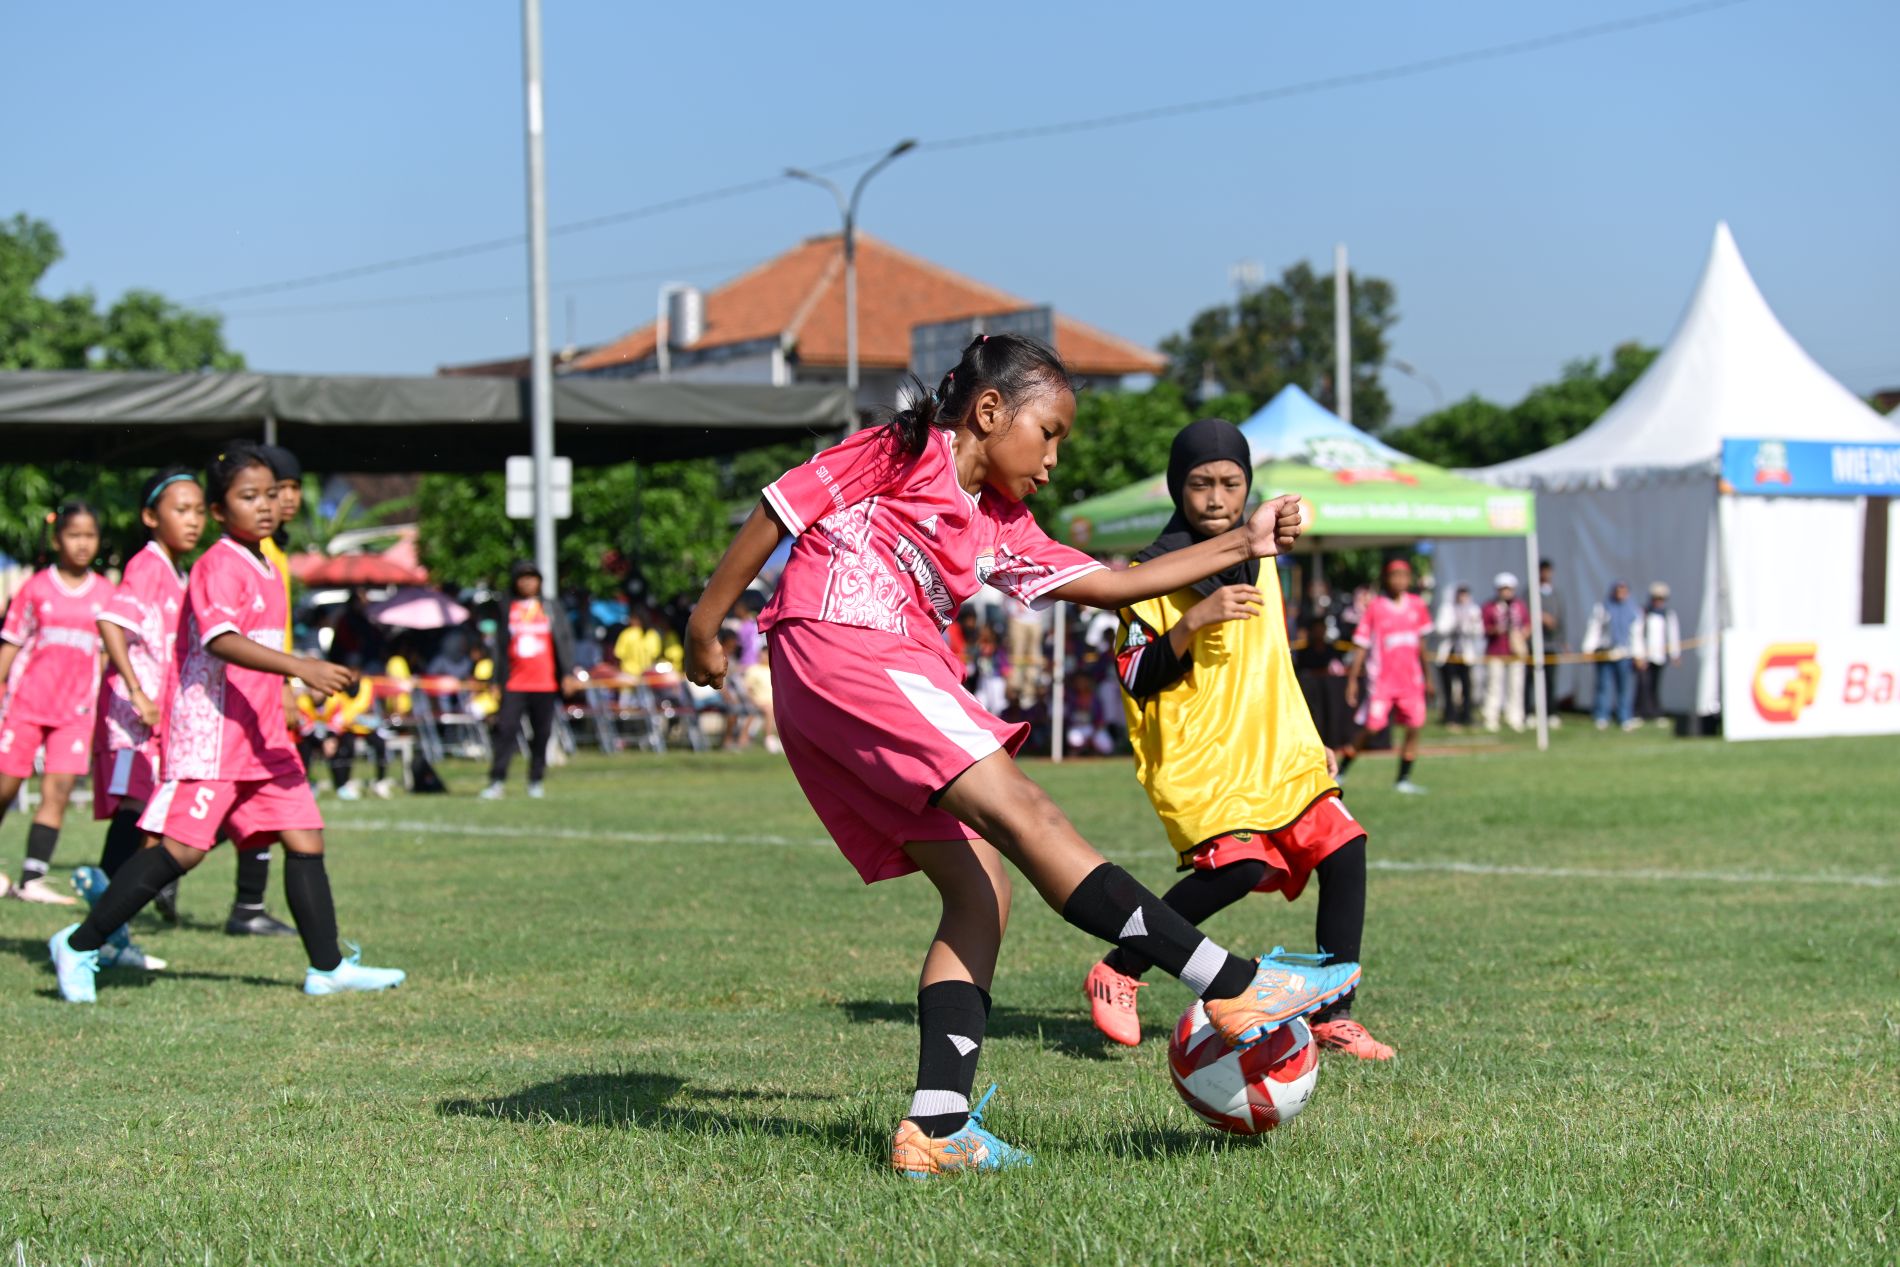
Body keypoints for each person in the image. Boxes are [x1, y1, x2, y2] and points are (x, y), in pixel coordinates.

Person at [684, 334, 1359, 1178]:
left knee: (982, 889)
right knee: (1027, 811)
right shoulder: (899, 450)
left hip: (850, 677)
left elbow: (1114, 584)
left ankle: (937, 1125)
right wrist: (705, 626)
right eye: (1050, 433)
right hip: (848, 644)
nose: (1052, 459)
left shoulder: (999, 524)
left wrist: (1245, 540)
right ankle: (1231, 980)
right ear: (990, 411)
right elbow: (780, 508)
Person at [48, 443, 405, 1003]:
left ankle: (328, 967)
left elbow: (262, 645)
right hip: (213, 733)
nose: (264, 506)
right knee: (182, 851)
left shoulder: (268, 565)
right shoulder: (218, 563)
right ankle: (79, 943)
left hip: (262, 736)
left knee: (305, 839)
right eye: (247, 497)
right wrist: (300, 668)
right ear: (219, 510)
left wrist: (286, 688)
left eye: (269, 495)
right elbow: (220, 640)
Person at [1083, 419, 1392, 1062]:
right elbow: (1136, 676)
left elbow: (1272, 658)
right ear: (1178, 488)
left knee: (1345, 847)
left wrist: (1308, 736)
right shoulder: (1151, 573)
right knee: (1242, 867)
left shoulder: (1264, 557)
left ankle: (1334, 1012)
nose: (1216, 498)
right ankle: (1119, 967)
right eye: (1200, 484)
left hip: (1279, 748)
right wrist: (1192, 621)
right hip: (1202, 758)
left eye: (1231, 483)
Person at [70, 468, 206, 968]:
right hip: (132, 718)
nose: (192, 521)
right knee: (133, 811)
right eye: (180, 510)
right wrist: (136, 691)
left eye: (197, 511)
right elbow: (110, 621)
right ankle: (100, 933)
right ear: (151, 517)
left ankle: (109, 928)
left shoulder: (176, 571)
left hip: (156, 715)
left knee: (146, 816)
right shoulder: (148, 565)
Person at [0, 502, 110, 905]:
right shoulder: (35, 588)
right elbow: (10, 646)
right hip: (25, 705)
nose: (82, 544)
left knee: (58, 791)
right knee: (6, 786)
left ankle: (32, 877)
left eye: (89, 536)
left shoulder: (106, 594)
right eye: (73, 535)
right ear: (58, 539)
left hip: (76, 713)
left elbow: (105, 655)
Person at [481, 560, 578, 800]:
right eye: (522, 577)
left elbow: (564, 641)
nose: (527, 581)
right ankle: (497, 780)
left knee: (542, 733)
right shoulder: (508, 608)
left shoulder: (550, 607)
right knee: (506, 730)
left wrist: (568, 673)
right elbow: (500, 648)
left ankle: (535, 780)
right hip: (515, 683)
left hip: (544, 684)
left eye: (532, 577)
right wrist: (495, 679)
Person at [1338, 559, 1434, 794]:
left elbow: (1422, 645)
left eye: (1404, 575)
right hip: (1382, 682)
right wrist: (1352, 679)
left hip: (1411, 681)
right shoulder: (1376, 607)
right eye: (1395, 575)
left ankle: (1403, 779)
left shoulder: (1417, 605)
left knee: (1414, 726)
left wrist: (1428, 677)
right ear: (1387, 579)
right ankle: (1341, 771)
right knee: (1372, 728)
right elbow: (1361, 644)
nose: (1399, 580)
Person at [1582, 581, 1643, 732]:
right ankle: (1602, 716)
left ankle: (1624, 717)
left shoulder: (1633, 610)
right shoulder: (1603, 608)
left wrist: (1639, 655)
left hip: (1624, 653)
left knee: (1625, 688)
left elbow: (1636, 635)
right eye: (1618, 591)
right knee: (1603, 685)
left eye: (1623, 591)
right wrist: (1588, 649)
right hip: (1606, 652)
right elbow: (1594, 629)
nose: (1620, 594)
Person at [1481, 573, 1529, 733]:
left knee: (1516, 686)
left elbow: (1528, 624)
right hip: (1496, 651)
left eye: (1509, 589)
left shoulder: (1520, 606)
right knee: (1494, 686)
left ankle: (1515, 717)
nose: (1506, 592)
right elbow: (1483, 628)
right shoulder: (1489, 607)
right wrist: (1496, 630)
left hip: (1515, 653)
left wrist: (1521, 636)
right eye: (1503, 589)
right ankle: (1491, 717)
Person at [1435, 584, 1484, 730]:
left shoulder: (1473, 610)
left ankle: (1466, 715)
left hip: (1465, 653)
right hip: (1449, 653)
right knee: (1449, 687)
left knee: (1467, 686)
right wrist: (1455, 624)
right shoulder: (1447, 609)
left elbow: (1478, 631)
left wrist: (1469, 625)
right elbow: (1440, 628)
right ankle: (1450, 715)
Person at [1636, 582, 1682, 727]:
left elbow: (1673, 635)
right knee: (1643, 685)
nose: (1658, 601)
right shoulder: (1644, 613)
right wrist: (1639, 655)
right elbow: (1638, 634)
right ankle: (1640, 712)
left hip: (1660, 656)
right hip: (1645, 656)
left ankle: (1655, 712)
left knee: (1655, 685)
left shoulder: (1668, 615)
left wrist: (1675, 654)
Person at [1530, 559, 1565, 726]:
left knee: (1550, 680)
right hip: (1535, 643)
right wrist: (1541, 616)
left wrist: (1563, 641)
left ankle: (1551, 712)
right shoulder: (1530, 591)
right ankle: (1530, 711)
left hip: (1551, 643)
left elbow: (1562, 617)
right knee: (1532, 680)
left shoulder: (1556, 593)